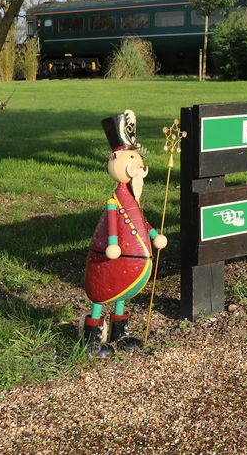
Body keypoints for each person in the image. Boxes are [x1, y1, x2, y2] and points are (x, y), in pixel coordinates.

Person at [82, 110, 166, 357]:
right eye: (132, 157)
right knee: (102, 291)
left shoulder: (132, 200)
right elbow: (113, 223)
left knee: (123, 292)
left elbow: (140, 222)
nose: (138, 164)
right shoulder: (115, 201)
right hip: (111, 256)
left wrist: (154, 235)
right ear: (116, 160)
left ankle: (120, 333)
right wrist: (112, 244)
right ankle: (93, 338)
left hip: (128, 260)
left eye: (137, 158)